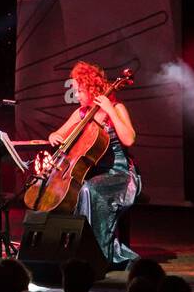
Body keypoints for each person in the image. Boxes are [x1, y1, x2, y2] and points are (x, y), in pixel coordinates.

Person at [45, 61, 140, 267]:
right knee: (75, 189)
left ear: (91, 88)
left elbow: (129, 139)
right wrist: (55, 136)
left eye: (79, 91)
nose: (76, 96)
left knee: (88, 190)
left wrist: (110, 110)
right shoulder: (81, 113)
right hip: (95, 173)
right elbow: (59, 132)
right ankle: (73, 248)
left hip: (121, 174)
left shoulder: (116, 108)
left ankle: (97, 252)